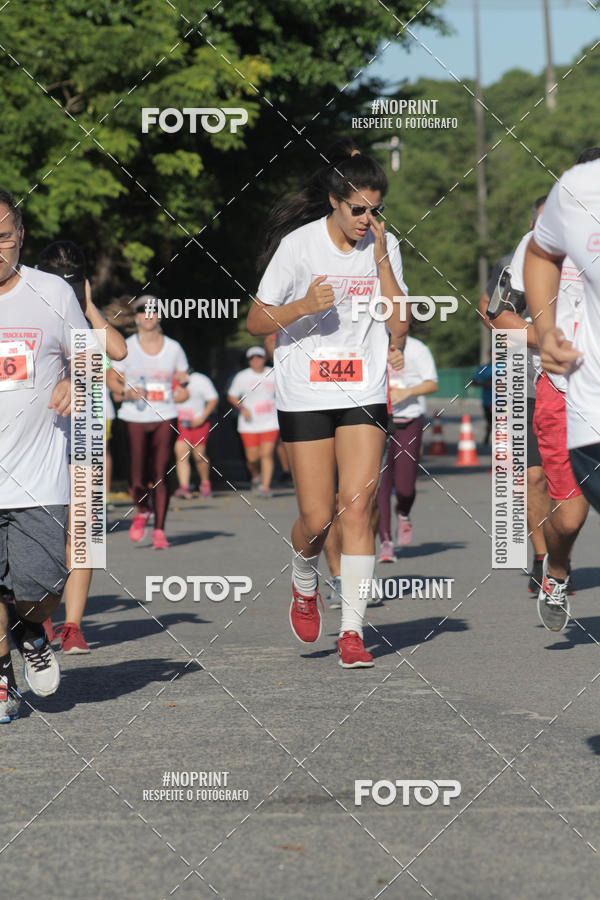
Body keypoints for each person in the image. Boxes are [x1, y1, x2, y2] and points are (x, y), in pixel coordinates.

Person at [248, 150, 409, 668]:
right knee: (317, 520)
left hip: (363, 389)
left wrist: (382, 257)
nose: (368, 221)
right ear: (335, 203)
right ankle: (302, 575)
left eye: (375, 210)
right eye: (358, 211)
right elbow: (255, 320)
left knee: (357, 507)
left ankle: (352, 631)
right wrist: (302, 307)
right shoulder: (299, 246)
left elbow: (401, 319)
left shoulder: (383, 245)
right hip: (305, 392)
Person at [0, 189, 90, 722]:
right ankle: (3, 680)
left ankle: (33, 628)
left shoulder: (52, 292)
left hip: (38, 476)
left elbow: (91, 365)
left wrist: (80, 386)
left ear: (21, 237)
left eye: (3, 237)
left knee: (39, 588)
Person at [36, 240, 127, 654]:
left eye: (73, 287)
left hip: (85, 434)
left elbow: (119, 350)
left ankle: (73, 625)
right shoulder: (30, 308)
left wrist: (89, 307)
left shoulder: (86, 317)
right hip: (39, 437)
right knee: (41, 534)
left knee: (83, 533)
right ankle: (40, 616)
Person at [524, 148, 600, 631]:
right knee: (569, 517)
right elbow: (535, 259)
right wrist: (546, 330)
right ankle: (555, 567)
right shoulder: (577, 191)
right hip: (579, 393)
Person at [479, 197, 550, 594]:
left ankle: (559, 549)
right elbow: (491, 312)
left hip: (574, 386)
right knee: (532, 476)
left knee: (567, 482)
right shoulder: (515, 259)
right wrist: (545, 338)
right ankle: (542, 556)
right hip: (522, 383)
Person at [108, 296, 189, 549]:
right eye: (143, 311)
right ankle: (142, 509)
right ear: (136, 316)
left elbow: (184, 385)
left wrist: (181, 392)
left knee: (161, 473)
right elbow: (112, 379)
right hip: (134, 415)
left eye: (153, 311)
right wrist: (126, 391)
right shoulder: (127, 346)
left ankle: (160, 531)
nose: (148, 315)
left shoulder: (174, 348)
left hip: (165, 413)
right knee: (136, 477)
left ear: (160, 316)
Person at [377, 332, 438, 562]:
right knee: (380, 485)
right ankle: (385, 543)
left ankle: (403, 512)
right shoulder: (371, 343)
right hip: (377, 422)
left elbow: (432, 383)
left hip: (409, 422)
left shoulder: (417, 348)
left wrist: (407, 391)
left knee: (404, 487)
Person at [227, 347, 279, 497]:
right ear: (248, 361)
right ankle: (256, 476)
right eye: (252, 358)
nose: (256, 360)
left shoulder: (273, 373)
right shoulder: (242, 376)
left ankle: (266, 486)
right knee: (252, 457)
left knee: (267, 453)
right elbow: (231, 396)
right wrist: (242, 408)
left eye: (259, 357)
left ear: (264, 359)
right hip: (248, 424)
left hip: (270, 421)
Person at [174, 369, 219, 499]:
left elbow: (213, 399)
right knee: (181, 453)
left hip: (199, 422)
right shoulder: (169, 380)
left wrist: (203, 417)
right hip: (179, 423)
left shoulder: (200, 379)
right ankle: (184, 487)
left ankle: (205, 483)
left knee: (199, 455)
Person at [472, 357, 493, 444]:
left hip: (503, 401)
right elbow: (473, 381)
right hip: (487, 400)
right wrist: (486, 384)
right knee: (490, 421)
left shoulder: (506, 366)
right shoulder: (484, 368)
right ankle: (487, 436)